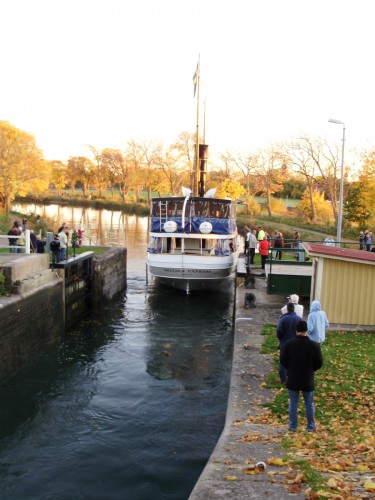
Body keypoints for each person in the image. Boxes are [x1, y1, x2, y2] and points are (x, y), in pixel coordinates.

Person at [280, 320, 323, 432]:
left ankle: (293, 426)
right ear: (306, 331)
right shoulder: (314, 345)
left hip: (293, 378)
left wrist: (291, 368)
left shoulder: (289, 344)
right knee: (309, 403)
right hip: (307, 379)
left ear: (296, 331)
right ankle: (310, 426)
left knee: (293, 403)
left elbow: (283, 361)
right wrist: (311, 369)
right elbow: (319, 363)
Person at [276, 303, 302, 384]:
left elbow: (279, 331)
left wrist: (280, 338)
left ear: (287, 309)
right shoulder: (299, 319)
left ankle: (283, 379)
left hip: (285, 343)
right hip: (295, 343)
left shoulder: (283, 319)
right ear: (294, 309)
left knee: (283, 361)